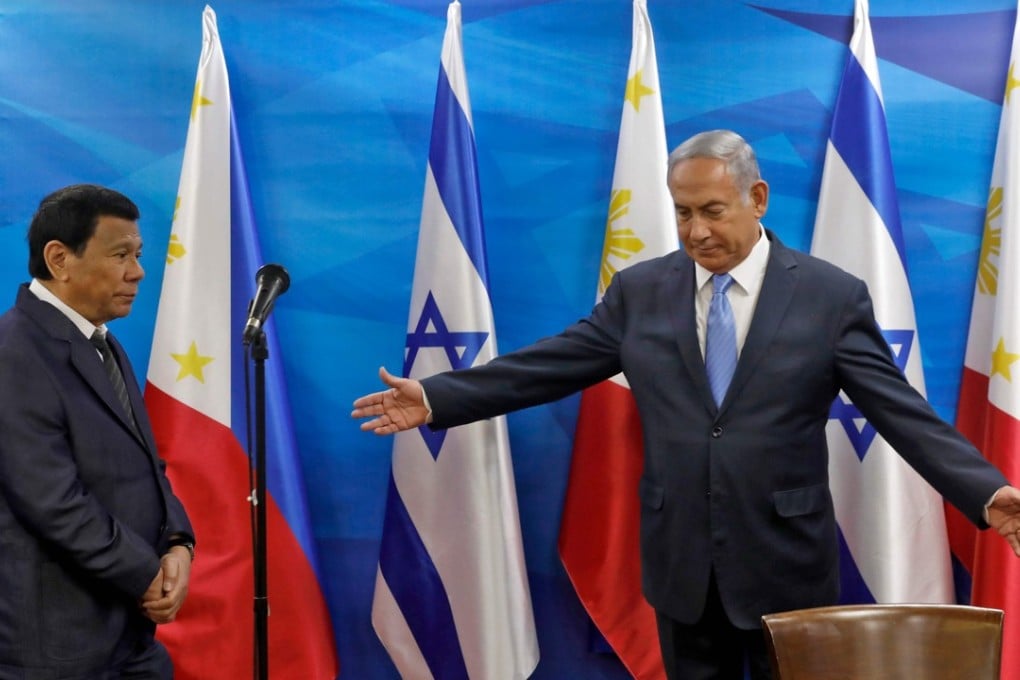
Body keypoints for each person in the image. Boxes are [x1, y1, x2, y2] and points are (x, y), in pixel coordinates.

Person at [351, 130, 1020, 680]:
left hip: (786, 565)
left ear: (758, 199)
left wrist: (986, 493)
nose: (695, 231)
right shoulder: (641, 292)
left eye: (712, 210)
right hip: (682, 569)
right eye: (682, 212)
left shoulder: (829, 297)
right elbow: (551, 365)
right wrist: (437, 396)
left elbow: (900, 410)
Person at [0, 184, 195, 679]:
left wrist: (178, 542)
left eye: (138, 255)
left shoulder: (101, 342)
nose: (138, 271)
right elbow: (52, 500)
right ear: (59, 259)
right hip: (57, 646)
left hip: (127, 635)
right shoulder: (13, 353)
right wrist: (147, 573)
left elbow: (145, 463)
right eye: (120, 255)